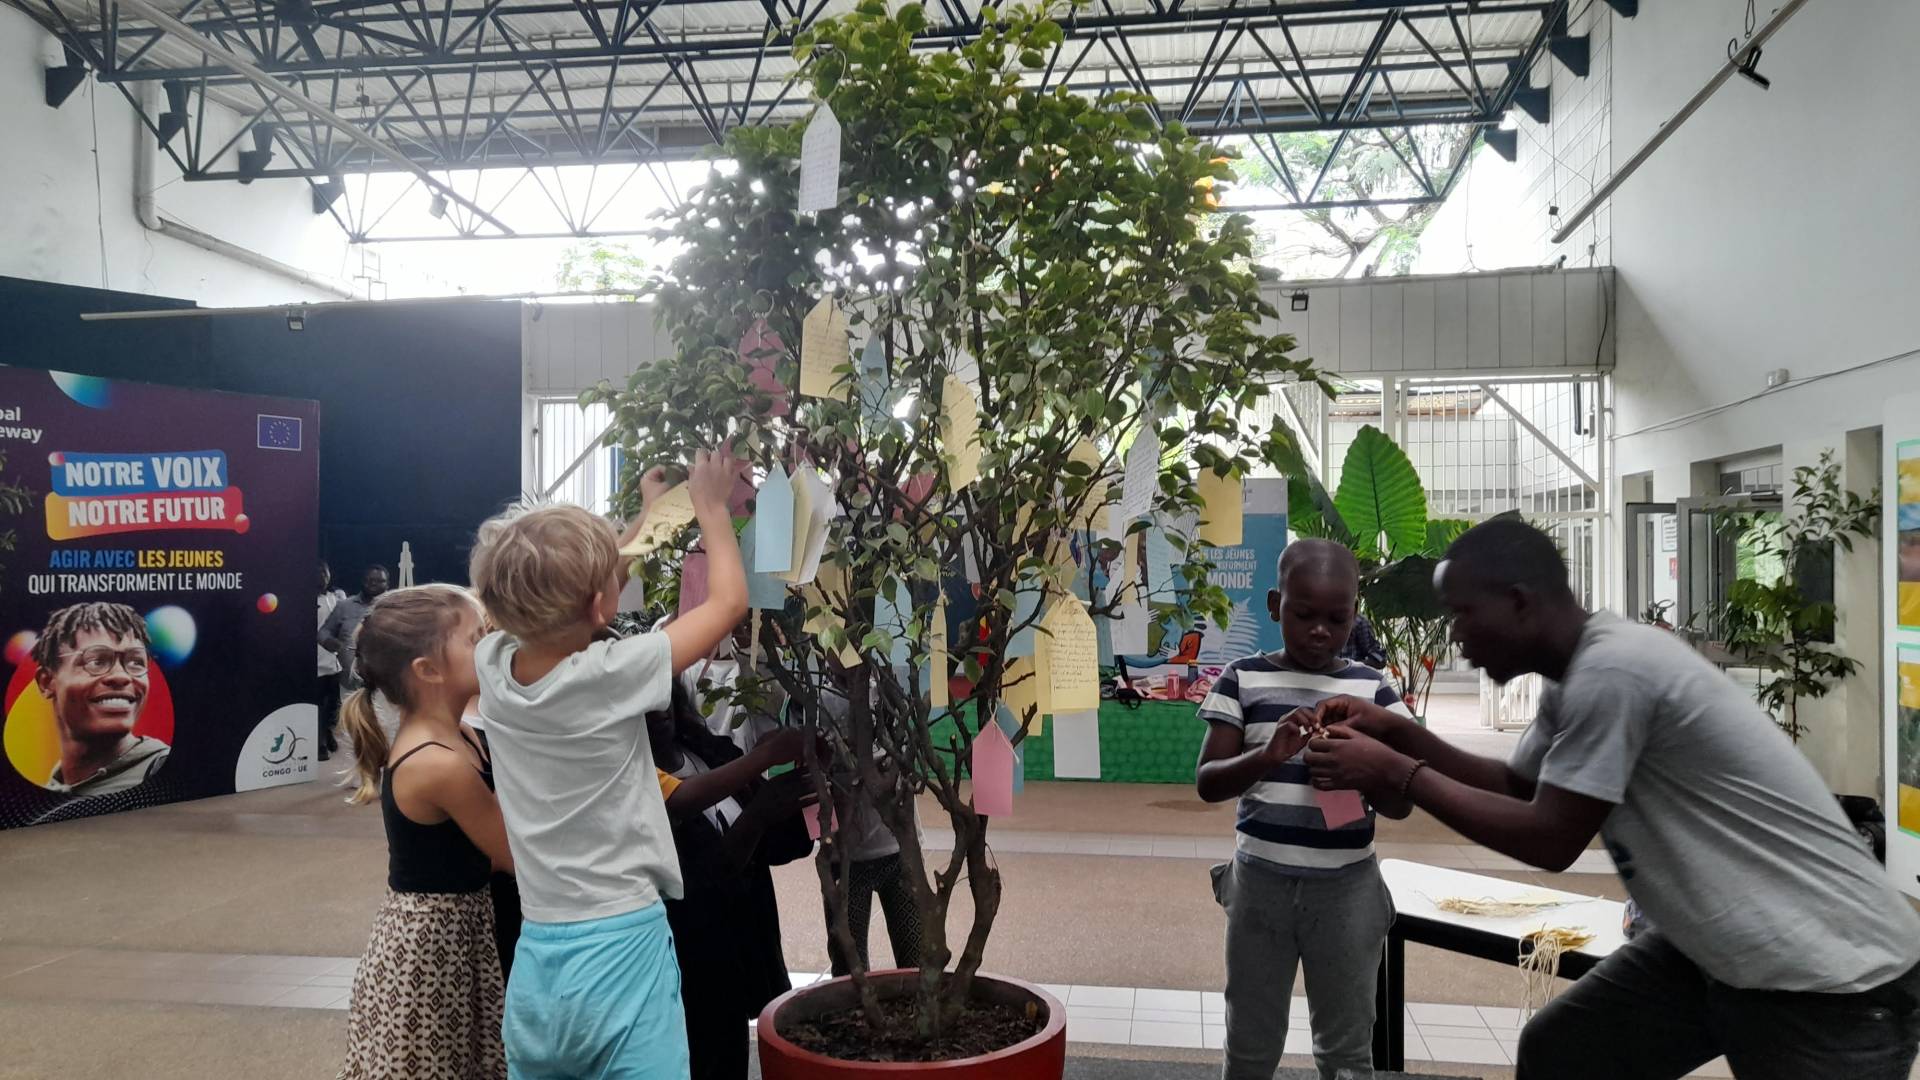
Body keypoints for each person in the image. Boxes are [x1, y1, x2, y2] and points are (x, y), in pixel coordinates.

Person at [1303, 517, 1920, 1080]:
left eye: (1463, 613)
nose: (1455, 634)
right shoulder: (1578, 673)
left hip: (1829, 977)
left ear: (1519, 601)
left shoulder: (1614, 670)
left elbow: (1551, 838)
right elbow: (1519, 787)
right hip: (1716, 953)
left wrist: (1400, 772)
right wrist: (1398, 733)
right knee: (1565, 1053)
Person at [467, 448, 746, 1080]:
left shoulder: (494, 662)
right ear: (600, 607)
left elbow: (568, 599)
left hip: (539, 953)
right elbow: (728, 604)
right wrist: (710, 507)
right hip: (622, 945)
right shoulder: (610, 673)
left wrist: (646, 517)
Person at [1193, 539, 1412, 1080]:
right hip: (1259, 886)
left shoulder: (1373, 690)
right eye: (1304, 614)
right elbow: (1207, 782)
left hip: (1347, 889)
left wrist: (1364, 770)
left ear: (1355, 614)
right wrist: (1266, 756)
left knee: (1346, 1047)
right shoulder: (1242, 678)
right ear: (1275, 606)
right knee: (1250, 1038)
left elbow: (1401, 803)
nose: (1320, 631)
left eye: (1337, 619)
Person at [336, 584, 512, 1080]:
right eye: (476, 638)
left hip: (457, 934)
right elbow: (511, 854)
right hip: (430, 953)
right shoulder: (436, 762)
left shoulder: (463, 733)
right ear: (428, 670)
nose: (491, 647)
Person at [646, 682, 814, 1080]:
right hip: (692, 969)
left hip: (741, 955)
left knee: (731, 1058)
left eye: (662, 693)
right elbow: (694, 884)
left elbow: (774, 845)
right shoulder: (636, 784)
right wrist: (758, 812)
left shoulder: (707, 752)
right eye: (644, 702)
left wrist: (811, 799)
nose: (659, 708)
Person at [818, 690, 923, 978]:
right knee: (849, 969)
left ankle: (916, 1008)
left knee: (916, 962)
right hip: (845, 858)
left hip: (898, 850)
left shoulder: (887, 689)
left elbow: (908, 756)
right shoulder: (818, 699)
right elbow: (812, 766)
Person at [31, 602, 168, 796]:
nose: (121, 676)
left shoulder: (167, 772)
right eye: (96, 661)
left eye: (136, 662)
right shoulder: (42, 795)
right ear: (46, 682)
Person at [323, 564, 390, 695]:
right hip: (349, 685)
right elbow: (324, 631)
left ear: (387, 584)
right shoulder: (344, 606)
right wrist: (327, 641)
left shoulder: (396, 607)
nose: (373, 583)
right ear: (362, 581)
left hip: (384, 686)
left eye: (379, 581)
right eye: (370, 580)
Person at [318, 562, 346, 760]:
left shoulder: (337, 596)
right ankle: (319, 742)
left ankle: (328, 732)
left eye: (324, 572)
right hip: (315, 661)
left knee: (334, 703)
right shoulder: (303, 597)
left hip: (335, 661)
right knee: (318, 703)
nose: (321, 576)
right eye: (317, 573)